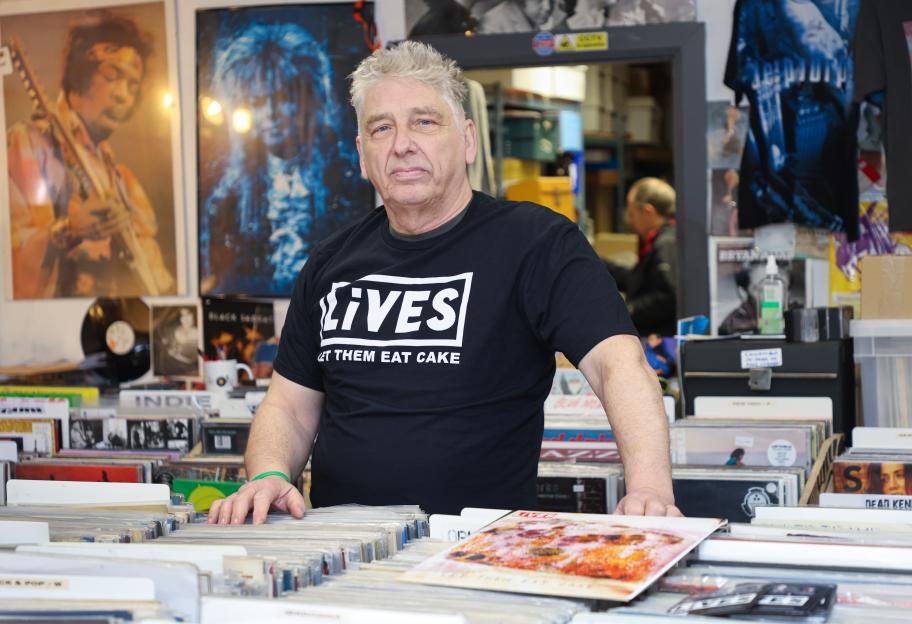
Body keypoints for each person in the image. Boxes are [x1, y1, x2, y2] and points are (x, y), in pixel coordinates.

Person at [209, 41, 680, 524]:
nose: (402, 143)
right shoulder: (330, 262)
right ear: (361, 154)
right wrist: (268, 473)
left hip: (479, 553)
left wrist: (649, 489)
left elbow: (618, 366)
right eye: (381, 127)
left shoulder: (538, 244)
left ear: (469, 140)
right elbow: (288, 406)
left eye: (424, 122)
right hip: (345, 552)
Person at [7, 12, 174, 299]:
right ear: (81, 71)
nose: (124, 95)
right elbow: (10, 262)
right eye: (113, 75)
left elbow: (156, 280)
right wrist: (69, 229)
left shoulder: (124, 181)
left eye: (133, 86)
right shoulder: (30, 143)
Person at [200, 22, 362, 296]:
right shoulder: (228, 198)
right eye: (258, 102)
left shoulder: (347, 183)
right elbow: (221, 282)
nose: (271, 113)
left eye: (281, 97)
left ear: (307, 98)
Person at [604, 178, 678, 337]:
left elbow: (667, 296)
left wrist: (627, 309)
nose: (630, 221)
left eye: (632, 213)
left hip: (660, 339)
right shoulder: (661, 240)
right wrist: (600, 267)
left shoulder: (666, 244)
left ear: (648, 211)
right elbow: (641, 280)